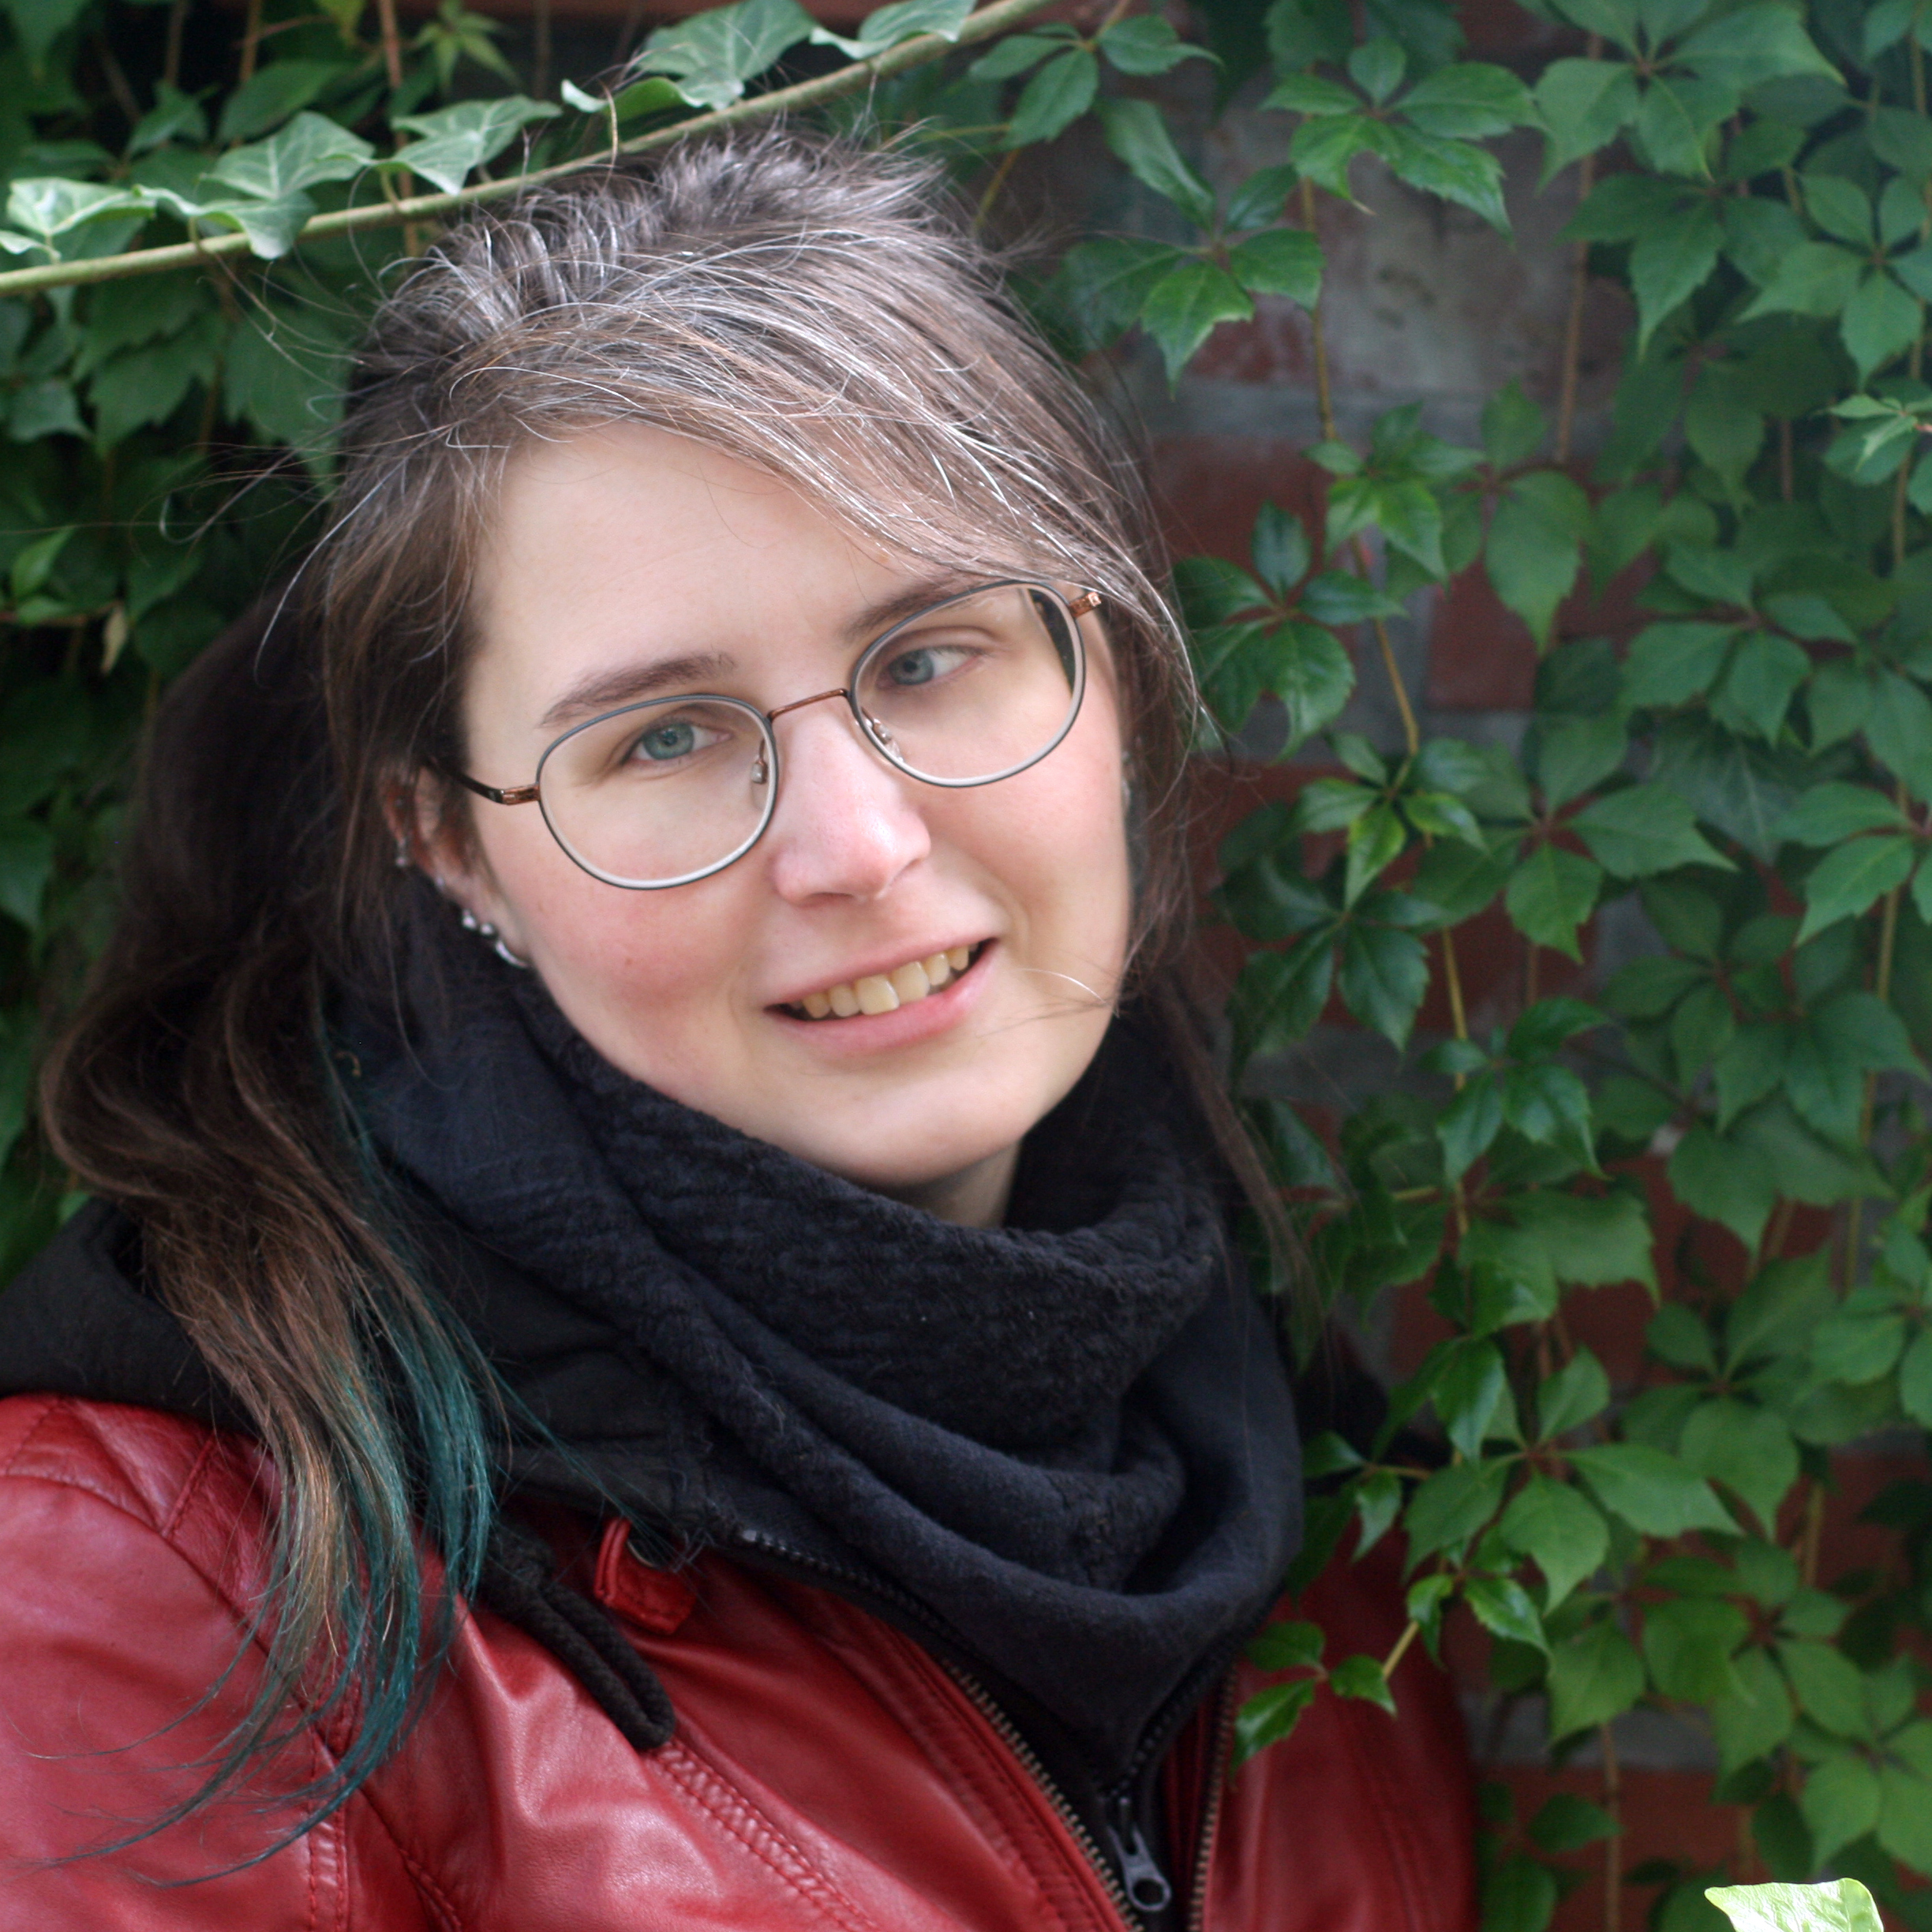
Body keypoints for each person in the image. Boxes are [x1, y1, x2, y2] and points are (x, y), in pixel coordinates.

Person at [0, 129, 1475, 1929]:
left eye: (929, 655)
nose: (858, 848)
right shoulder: (138, 1596)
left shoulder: (1296, 1468)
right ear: (446, 839)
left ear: (1106, 665)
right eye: (667, 738)